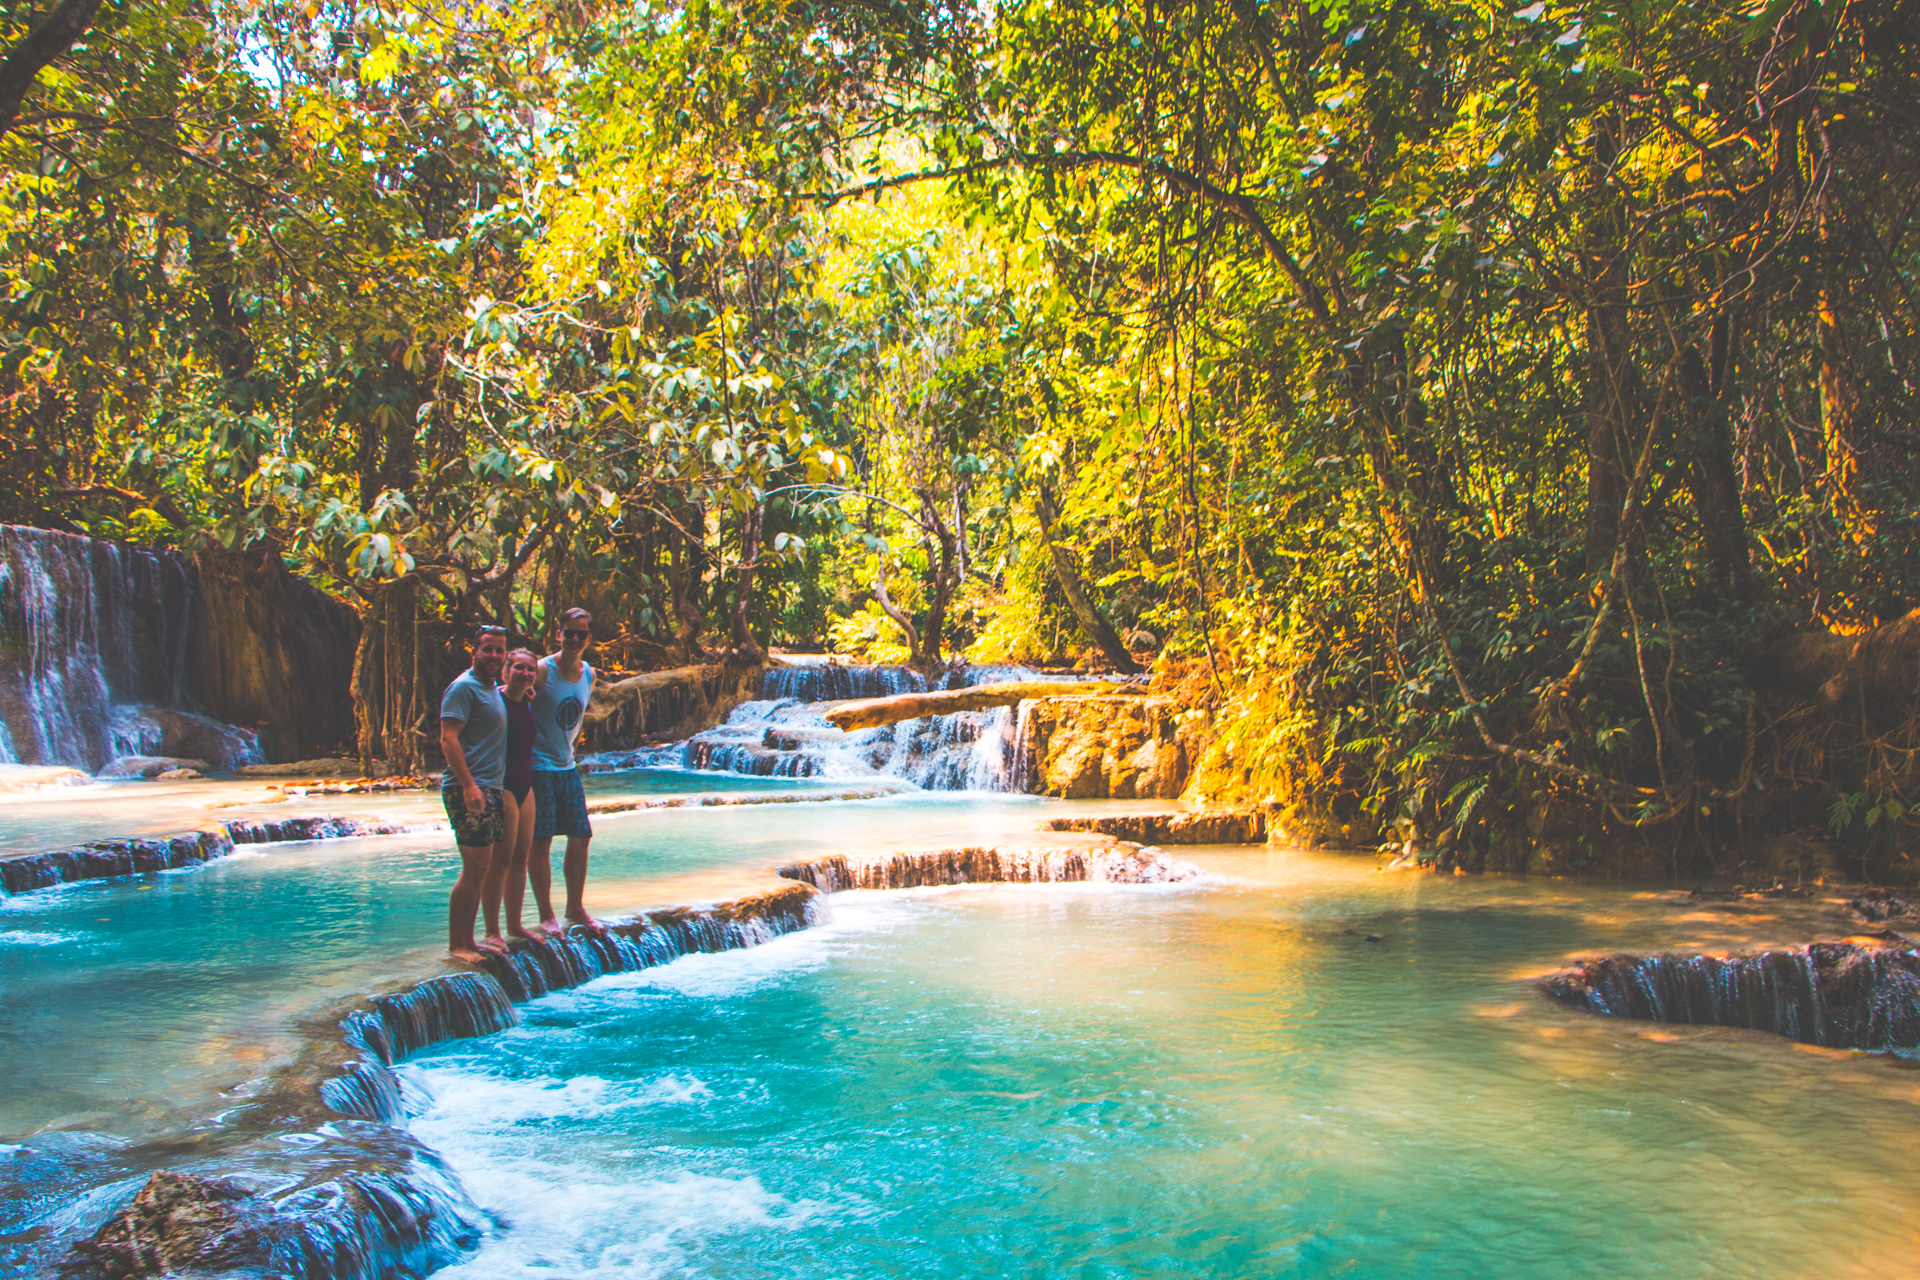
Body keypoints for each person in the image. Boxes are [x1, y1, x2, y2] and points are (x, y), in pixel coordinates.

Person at [525, 607, 599, 932]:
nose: (574, 639)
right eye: (569, 632)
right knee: (540, 842)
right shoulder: (542, 670)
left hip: (567, 767)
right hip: (537, 767)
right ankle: (546, 915)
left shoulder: (589, 675)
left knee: (581, 836)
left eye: (580, 634)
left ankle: (575, 908)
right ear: (559, 635)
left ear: (588, 638)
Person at [440, 625, 509, 963]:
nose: (494, 656)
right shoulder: (464, 687)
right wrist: (468, 785)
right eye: (488, 650)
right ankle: (457, 945)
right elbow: (449, 739)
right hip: (468, 788)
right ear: (475, 653)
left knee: (481, 867)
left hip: (489, 788)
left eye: (499, 650)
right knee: (473, 867)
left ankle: (469, 939)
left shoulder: (491, 688)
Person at [483, 646, 541, 950]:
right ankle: (492, 930)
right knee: (500, 861)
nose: (525, 673)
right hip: (501, 785)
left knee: (521, 858)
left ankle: (515, 924)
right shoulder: (495, 701)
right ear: (506, 670)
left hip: (525, 786)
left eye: (530, 669)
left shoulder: (525, 702)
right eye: (519, 667)